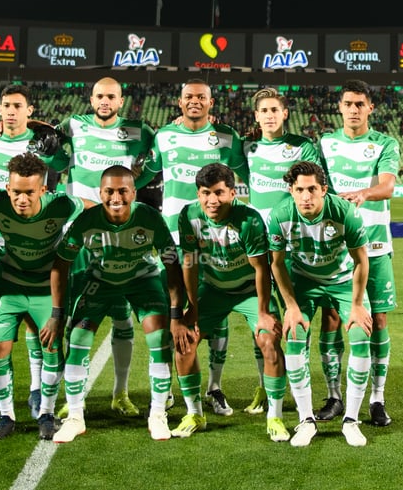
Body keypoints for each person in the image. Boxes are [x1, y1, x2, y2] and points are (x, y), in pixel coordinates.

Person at [44, 165, 183, 443]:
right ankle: (74, 418)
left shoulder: (149, 217)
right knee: (78, 337)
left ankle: (157, 415)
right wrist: (57, 315)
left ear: (133, 192)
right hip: (101, 281)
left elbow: (172, 263)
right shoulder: (86, 220)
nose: (116, 197)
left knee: (158, 337)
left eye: (122, 191)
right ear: (100, 192)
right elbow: (60, 265)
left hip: (142, 280)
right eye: (109, 191)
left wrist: (176, 314)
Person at [137, 78, 249, 416]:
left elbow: (246, 176)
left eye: (202, 97)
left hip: (214, 236)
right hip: (170, 236)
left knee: (215, 307)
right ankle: (168, 386)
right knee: (171, 305)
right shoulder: (164, 136)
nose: (195, 101)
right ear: (179, 101)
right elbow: (146, 174)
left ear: (211, 103)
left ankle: (214, 386)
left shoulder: (228, 137)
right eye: (189, 97)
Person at [55, 76, 158, 418]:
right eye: (99, 95)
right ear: (91, 97)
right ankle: (59, 395)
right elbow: (52, 153)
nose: (104, 100)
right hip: (81, 229)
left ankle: (120, 392)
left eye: (111, 96)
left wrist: (131, 189)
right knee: (72, 312)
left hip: (118, 229)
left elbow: (157, 162)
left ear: (121, 99)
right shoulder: (73, 124)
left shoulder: (139, 130)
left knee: (121, 316)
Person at [171, 163, 288, 442]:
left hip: (249, 290)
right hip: (212, 289)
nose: (213, 200)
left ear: (233, 193)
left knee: (269, 340)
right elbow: (189, 263)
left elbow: (262, 268)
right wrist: (192, 309)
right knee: (185, 340)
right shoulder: (189, 215)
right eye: (206, 193)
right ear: (198, 194)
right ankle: (195, 414)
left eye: (220, 193)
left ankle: (276, 416)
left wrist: (262, 312)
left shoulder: (249, 220)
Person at [0, 83, 68, 420]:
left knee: (33, 324)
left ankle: (36, 392)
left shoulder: (44, 144)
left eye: (18, 105)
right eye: (6, 105)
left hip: (34, 241)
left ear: (30, 110)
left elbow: (63, 162)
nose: (11, 110)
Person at [267, 160, 373, 447]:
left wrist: (357, 304)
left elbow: (361, 260)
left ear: (323, 189)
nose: (306, 196)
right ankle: (305, 420)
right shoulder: (280, 215)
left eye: (312, 189)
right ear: (291, 190)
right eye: (299, 189)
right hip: (303, 282)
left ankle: (351, 420)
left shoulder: (344, 212)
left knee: (360, 334)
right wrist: (290, 305)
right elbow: (276, 265)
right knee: (294, 336)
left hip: (341, 281)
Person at [0, 153, 88, 441]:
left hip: (45, 290)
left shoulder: (62, 205)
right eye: (16, 192)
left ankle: (46, 412)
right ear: (8, 189)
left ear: (43, 190)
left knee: (52, 349)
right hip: (11, 288)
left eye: (29, 193)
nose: (22, 199)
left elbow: (91, 207)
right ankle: (6, 416)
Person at [316, 79, 399, 427]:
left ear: (370, 108)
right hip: (335, 247)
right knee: (332, 318)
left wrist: (365, 193)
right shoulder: (325, 143)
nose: (353, 109)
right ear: (340, 107)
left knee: (377, 319)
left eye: (359, 104)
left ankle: (377, 398)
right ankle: (334, 396)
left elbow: (388, 185)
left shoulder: (384, 142)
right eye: (348, 104)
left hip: (376, 245)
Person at [241, 87, 320, 415]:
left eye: (276, 109)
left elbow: (313, 187)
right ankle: (265, 385)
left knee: (299, 315)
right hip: (260, 243)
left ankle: (303, 384)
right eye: (264, 110)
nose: (270, 115)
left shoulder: (302, 146)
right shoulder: (249, 147)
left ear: (285, 113)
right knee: (264, 317)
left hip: (295, 241)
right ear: (256, 116)